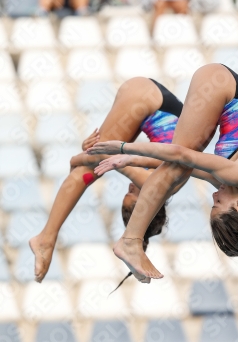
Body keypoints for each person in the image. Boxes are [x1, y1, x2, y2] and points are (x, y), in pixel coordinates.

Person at [88, 63, 238, 312]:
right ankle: (130, 240)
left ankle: (131, 240)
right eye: (218, 204)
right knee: (178, 166)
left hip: (222, 88)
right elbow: (178, 155)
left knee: (180, 169)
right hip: (220, 83)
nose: (214, 196)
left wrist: (131, 160)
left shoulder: (237, 184)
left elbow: (181, 163)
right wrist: (123, 147)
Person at [29, 77, 183, 282]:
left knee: (88, 168)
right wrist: (80, 157)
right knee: (88, 168)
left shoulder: (167, 180)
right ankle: (46, 238)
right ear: (148, 203)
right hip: (149, 99)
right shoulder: (155, 185)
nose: (130, 186)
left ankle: (46, 237)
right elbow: (104, 158)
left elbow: (114, 154)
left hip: (151, 103)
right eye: (132, 193)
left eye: (126, 193)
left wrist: (87, 155)